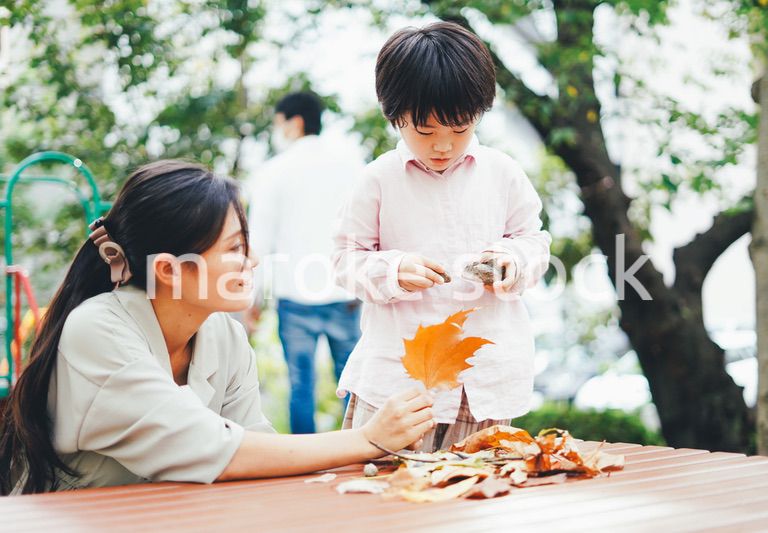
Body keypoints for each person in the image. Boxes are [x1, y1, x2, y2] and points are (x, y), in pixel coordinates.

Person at [0, 160, 433, 495]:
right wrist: (368, 440)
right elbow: (221, 452)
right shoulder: (97, 331)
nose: (254, 260)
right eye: (235, 248)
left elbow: (258, 453)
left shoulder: (222, 335)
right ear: (169, 270)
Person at [332, 22, 552, 452]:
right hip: (399, 380)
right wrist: (393, 270)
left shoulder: (502, 172)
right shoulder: (377, 180)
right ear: (394, 115)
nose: (443, 146)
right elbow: (344, 259)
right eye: (426, 131)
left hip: (484, 379)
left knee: (476, 498)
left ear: (479, 113)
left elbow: (533, 240)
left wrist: (512, 260)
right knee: (379, 495)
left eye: (459, 128)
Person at [247, 92, 364, 434]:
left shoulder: (273, 172)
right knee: (353, 383)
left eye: (278, 124)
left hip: (294, 297)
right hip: (345, 294)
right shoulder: (351, 165)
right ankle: (362, 455)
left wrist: (253, 300)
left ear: (294, 122)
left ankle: (304, 467)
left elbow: (261, 242)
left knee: (301, 386)